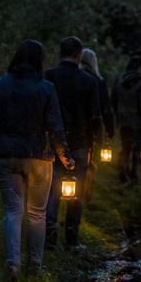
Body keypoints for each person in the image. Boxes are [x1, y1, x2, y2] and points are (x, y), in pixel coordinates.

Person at [0, 40, 75, 282]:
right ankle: (35, 266)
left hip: (6, 156)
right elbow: (55, 127)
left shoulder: (0, 85)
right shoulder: (46, 88)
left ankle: (13, 264)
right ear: (39, 61)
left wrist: (4, 137)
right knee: (37, 213)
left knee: (12, 211)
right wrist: (65, 157)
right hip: (39, 157)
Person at [43, 37, 100, 248]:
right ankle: (71, 238)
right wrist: (93, 144)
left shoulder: (48, 76)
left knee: (53, 187)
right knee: (78, 191)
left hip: (52, 141)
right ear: (79, 55)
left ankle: (50, 229)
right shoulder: (89, 81)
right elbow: (95, 117)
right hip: (80, 144)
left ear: (60, 53)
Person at [80, 48, 114, 202]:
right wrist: (109, 129)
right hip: (94, 127)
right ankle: (86, 191)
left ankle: (78, 190)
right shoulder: (98, 81)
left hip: (75, 125)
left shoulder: (77, 77)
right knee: (90, 157)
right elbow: (106, 107)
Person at [112, 55, 141, 183]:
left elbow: (113, 101)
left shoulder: (119, 81)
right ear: (139, 67)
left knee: (125, 147)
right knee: (136, 148)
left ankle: (122, 172)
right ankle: (134, 175)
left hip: (122, 120)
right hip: (137, 121)